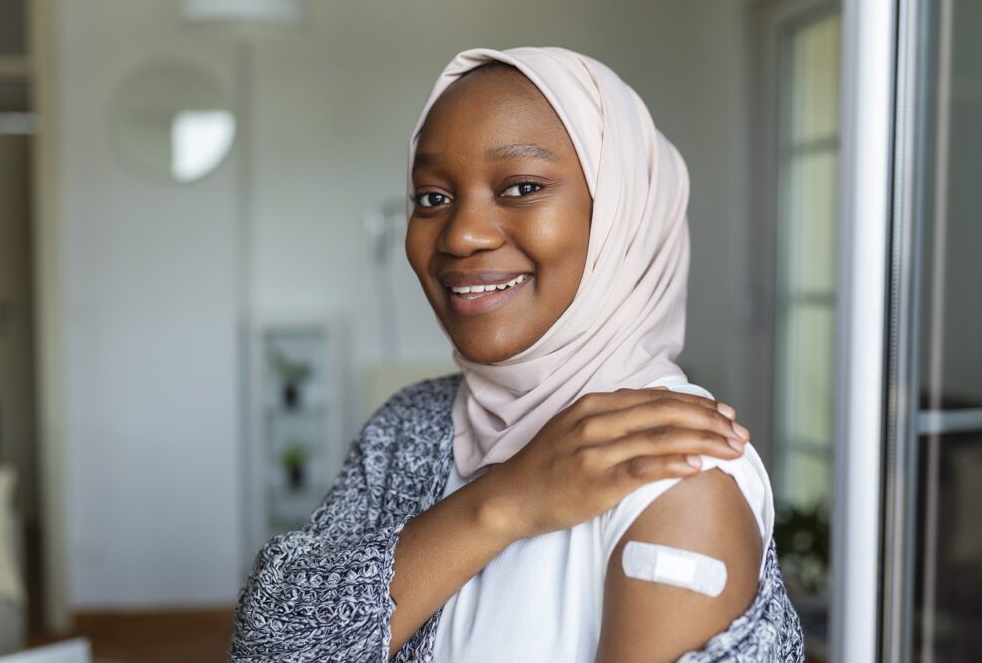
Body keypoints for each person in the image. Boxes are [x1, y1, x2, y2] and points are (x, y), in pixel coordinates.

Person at [229, 46, 803, 662]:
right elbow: (270, 647)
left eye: (522, 187)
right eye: (431, 198)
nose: (461, 235)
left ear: (619, 216)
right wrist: (505, 502)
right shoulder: (409, 426)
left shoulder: (676, 466)